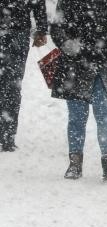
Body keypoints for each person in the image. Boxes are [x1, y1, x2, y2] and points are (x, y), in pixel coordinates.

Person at [49, 0, 107, 183]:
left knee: (105, 115)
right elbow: (56, 28)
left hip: (104, 64)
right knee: (77, 117)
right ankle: (75, 162)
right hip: (75, 66)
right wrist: (66, 43)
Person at [0, 0, 47, 151]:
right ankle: (7, 136)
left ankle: (7, 135)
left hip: (17, 31)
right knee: (12, 87)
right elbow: (38, 3)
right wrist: (41, 28)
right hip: (18, 31)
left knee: (11, 87)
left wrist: (42, 28)